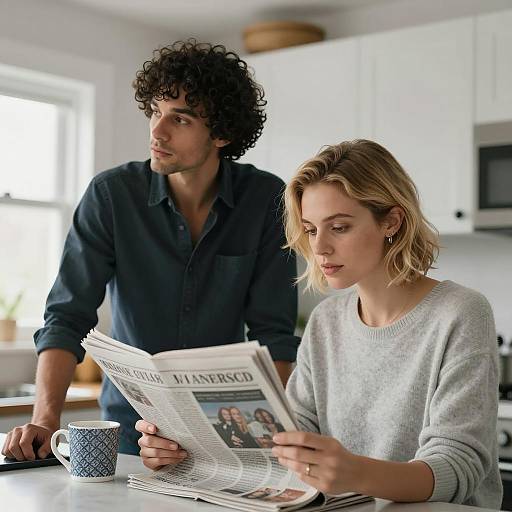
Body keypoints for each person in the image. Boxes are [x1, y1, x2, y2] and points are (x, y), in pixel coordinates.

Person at [1, 40, 299, 461]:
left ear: (222, 133)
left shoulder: (267, 200)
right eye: (156, 112)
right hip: (129, 430)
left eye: (180, 118)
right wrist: (46, 421)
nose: (157, 132)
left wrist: (265, 437)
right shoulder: (111, 196)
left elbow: (276, 338)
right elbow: (68, 315)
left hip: (228, 429)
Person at [269, 139, 502, 508]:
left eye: (340, 227)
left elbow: (457, 467)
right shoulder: (325, 321)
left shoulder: (460, 312)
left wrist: (353, 471)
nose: (320, 247)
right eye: (312, 230)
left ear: (391, 221)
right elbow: (295, 437)